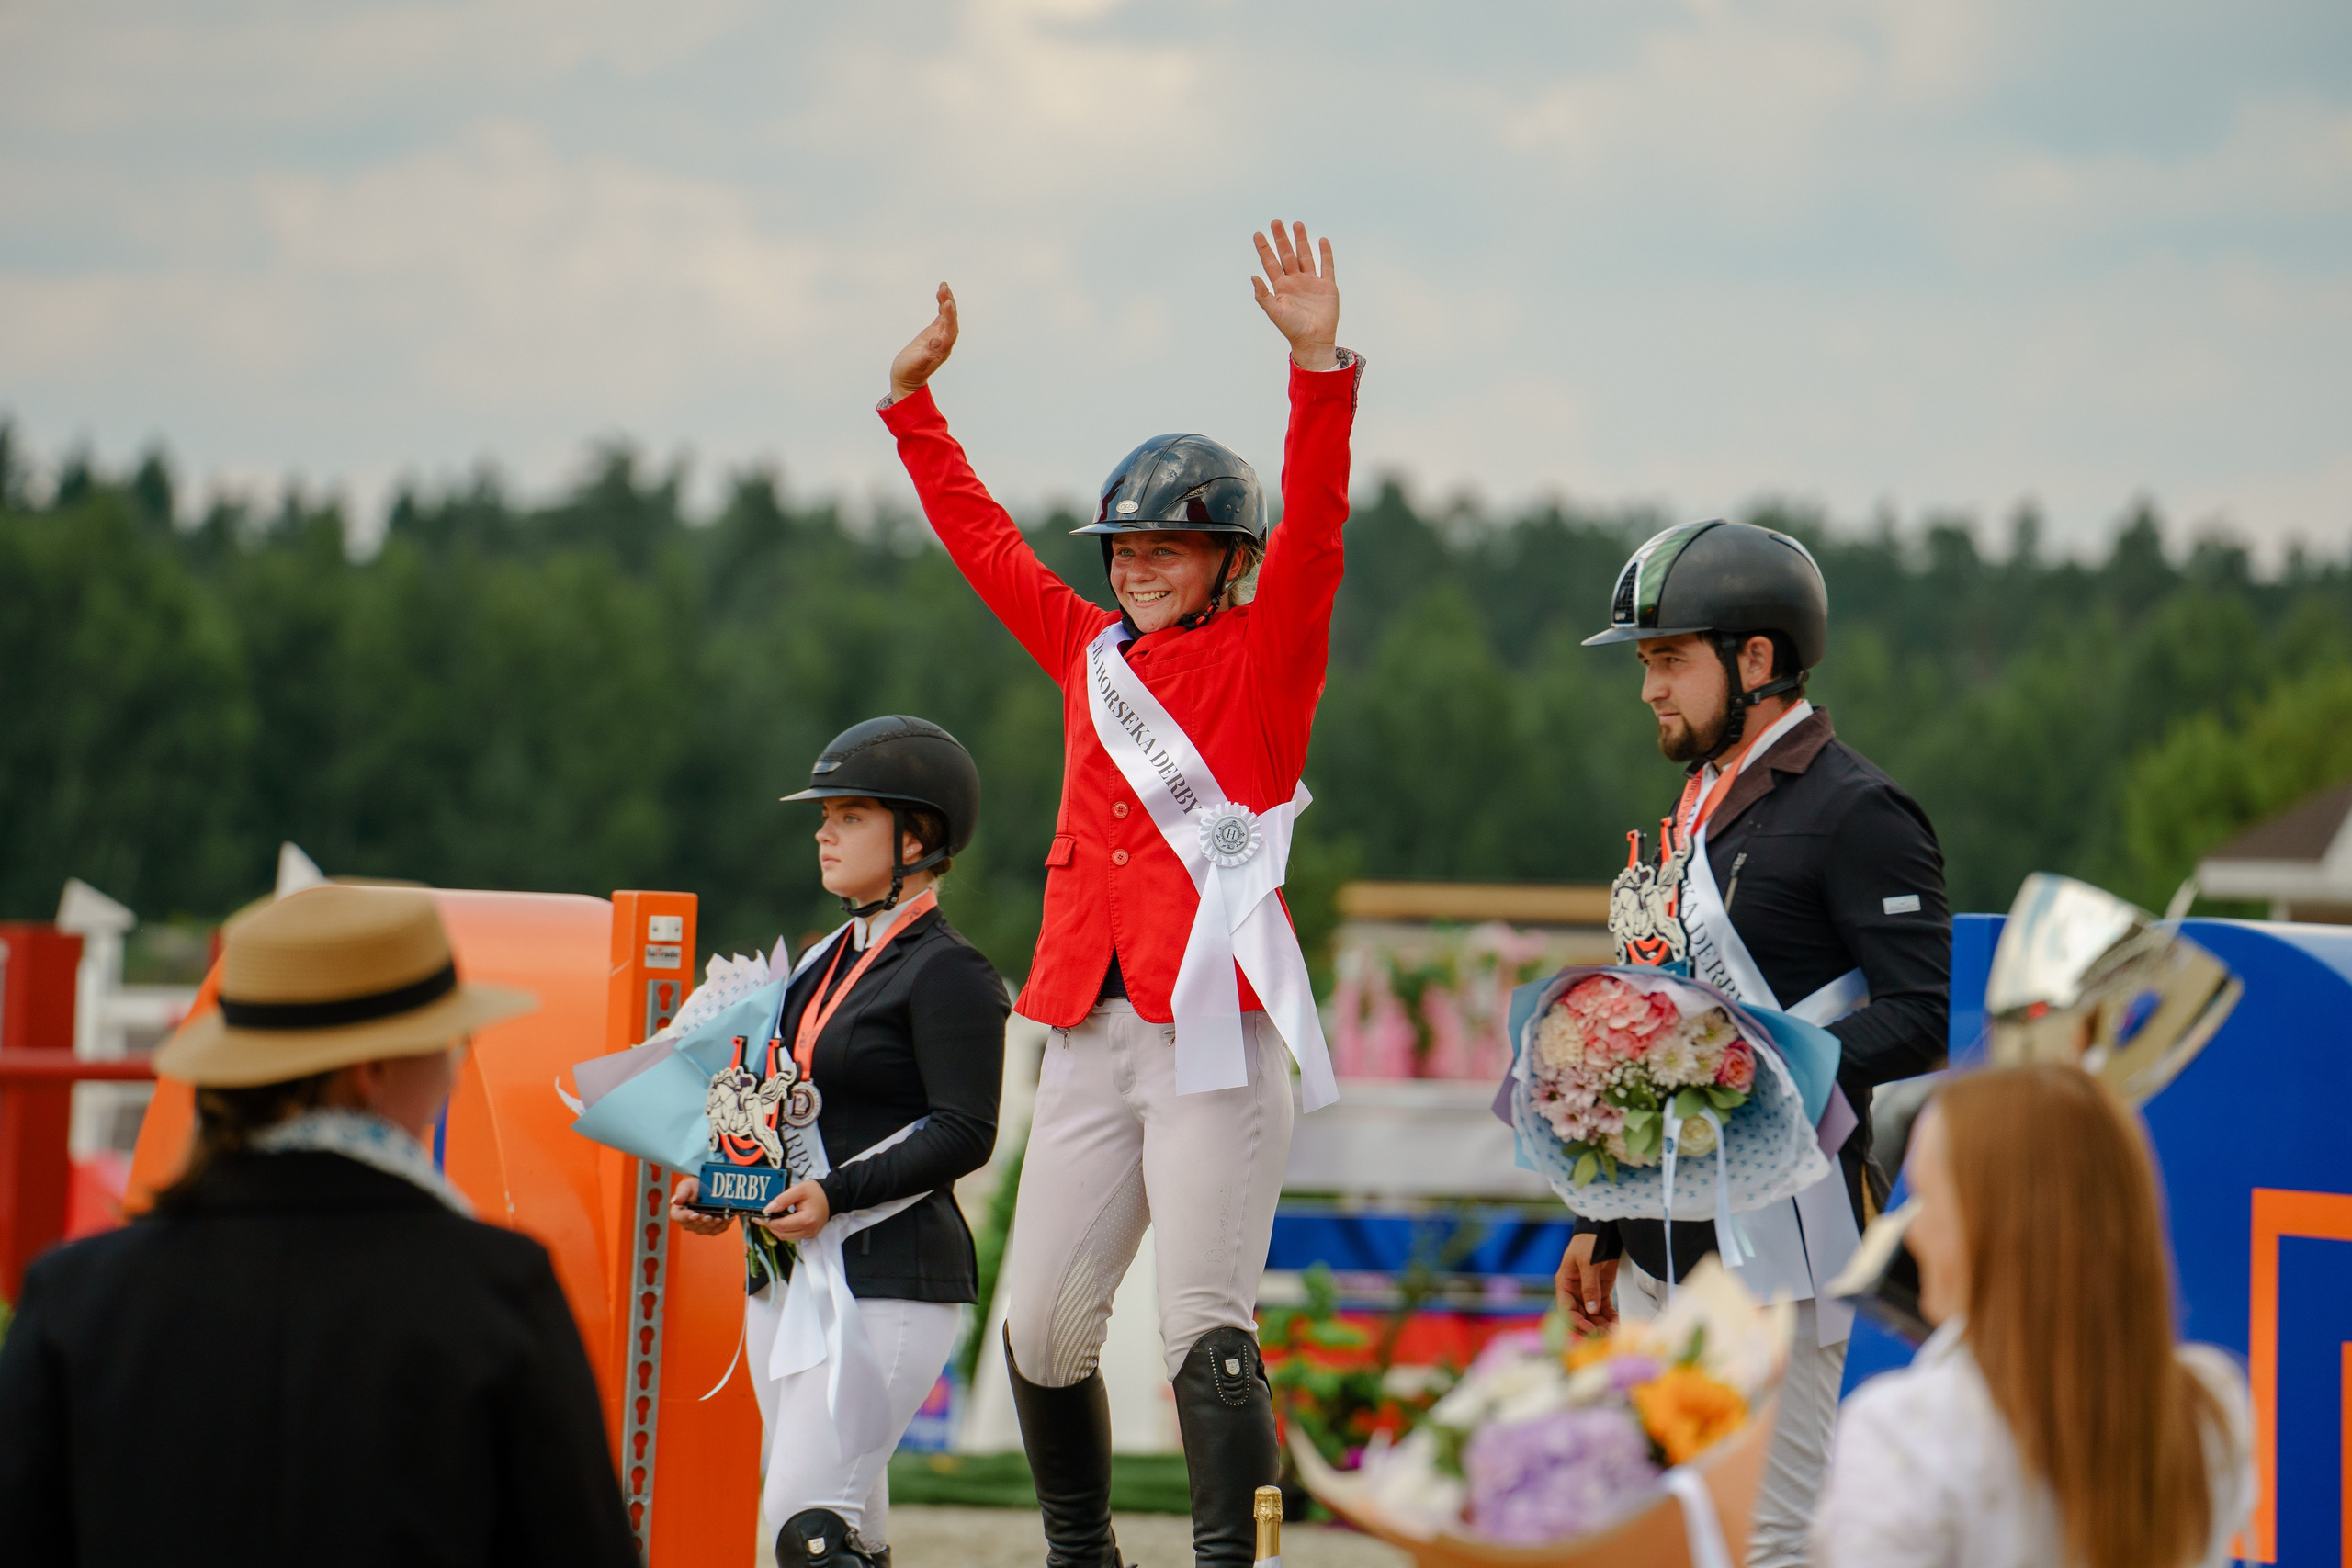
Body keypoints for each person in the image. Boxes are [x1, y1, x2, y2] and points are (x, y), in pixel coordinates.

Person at [876, 220, 1360, 1567]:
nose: (1138, 565)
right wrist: (913, 409)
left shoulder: (1267, 660)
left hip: (1211, 1036)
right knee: (1039, 1326)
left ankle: (1229, 1563)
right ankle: (1081, 1554)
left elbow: (1319, 530)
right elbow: (986, 548)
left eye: (1168, 549)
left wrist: (1318, 370)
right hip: (1084, 1027)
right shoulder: (1088, 650)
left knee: (1202, 1323)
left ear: (1227, 562)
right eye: (1125, 548)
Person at [0, 884, 637, 1568]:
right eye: (448, 1042)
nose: (453, 1071)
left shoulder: (77, 1296)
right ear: (372, 1070)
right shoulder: (495, 1289)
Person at [1553, 519, 1951, 1568]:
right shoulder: (1695, 805)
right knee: (1661, 1534)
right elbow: (1659, 1025)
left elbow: (1921, 1016)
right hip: (1658, 1236)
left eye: (1668, 660)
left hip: (1783, 1236)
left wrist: (1747, 1077)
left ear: (1756, 660)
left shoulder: (1861, 809)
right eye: (1645, 663)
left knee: (1766, 1541)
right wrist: (1602, 1216)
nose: (1649, 689)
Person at [669, 716, 1006, 1568]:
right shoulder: (819, 962)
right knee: (851, 1530)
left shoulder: (951, 971)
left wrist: (836, 1193)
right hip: (788, 1281)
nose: (824, 832)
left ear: (916, 837)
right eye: (826, 816)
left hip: (890, 1275)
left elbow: (966, 1128)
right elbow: (779, 1107)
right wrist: (722, 1181)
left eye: (850, 816)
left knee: (804, 1521)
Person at [1812, 1064, 2254, 1567]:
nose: (1911, 1233)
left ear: (1994, 1230)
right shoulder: (2208, 1410)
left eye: (1927, 1200)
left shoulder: (1905, 1434)